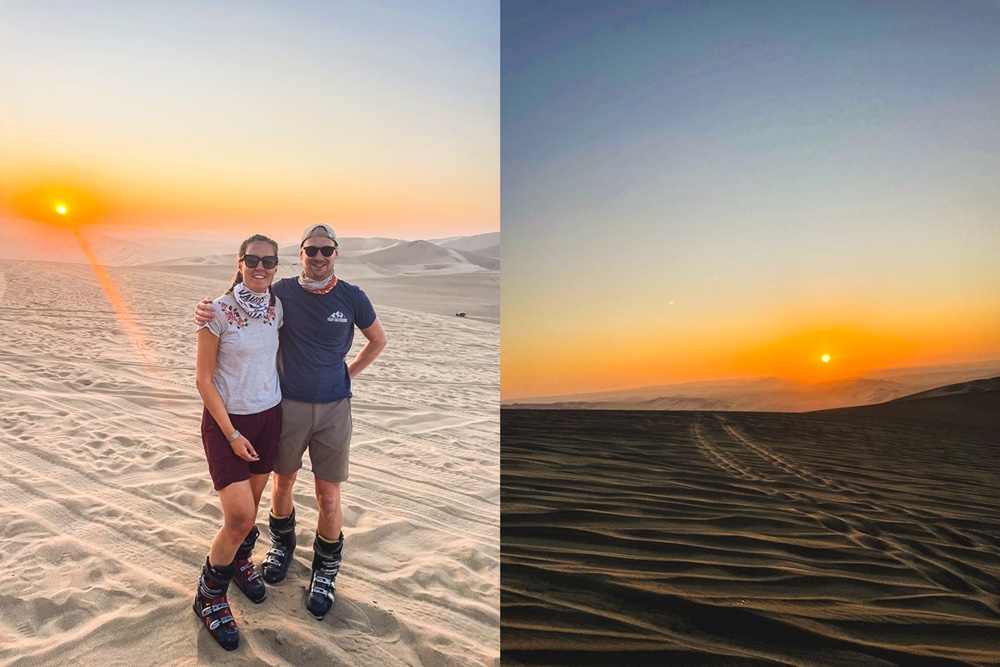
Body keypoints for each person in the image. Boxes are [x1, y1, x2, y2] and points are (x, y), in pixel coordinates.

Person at [194, 223, 386, 621]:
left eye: (326, 251)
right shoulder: (276, 295)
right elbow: (235, 305)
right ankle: (268, 555)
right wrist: (205, 309)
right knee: (272, 491)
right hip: (278, 410)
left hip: (319, 408)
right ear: (299, 255)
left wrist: (346, 375)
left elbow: (377, 340)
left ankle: (322, 571)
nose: (318, 257)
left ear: (336, 253)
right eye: (311, 250)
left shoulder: (343, 297)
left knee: (328, 495)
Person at [193, 234, 283, 650]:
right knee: (240, 517)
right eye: (252, 260)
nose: (260, 267)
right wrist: (230, 434)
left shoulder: (276, 306)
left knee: (253, 506)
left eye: (268, 260)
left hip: (269, 417)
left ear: (277, 265)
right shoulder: (217, 311)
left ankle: (241, 560)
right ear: (240, 261)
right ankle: (209, 597)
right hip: (226, 423)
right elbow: (203, 380)